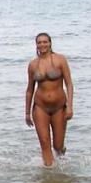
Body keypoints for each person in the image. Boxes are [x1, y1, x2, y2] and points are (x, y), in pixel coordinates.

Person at [25, 33, 75, 167]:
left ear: (50, 43)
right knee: (44, 141)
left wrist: (70, 106)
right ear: (36, 45)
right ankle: (49, 175)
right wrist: (27, 113)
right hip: (40, 107)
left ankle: (60, 155)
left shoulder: (60, 60)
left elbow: (69, 84)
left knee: (58, 145)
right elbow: (30, 89)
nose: (42, 45)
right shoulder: (33, 65)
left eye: (45, 42)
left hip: (59, 106)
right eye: (39, 42)